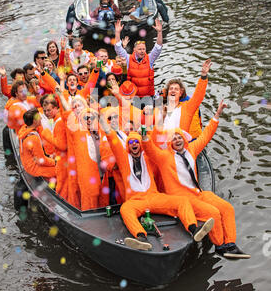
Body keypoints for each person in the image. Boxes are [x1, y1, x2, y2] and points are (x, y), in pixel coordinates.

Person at [142, 100, 251, 259]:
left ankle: (231, 244)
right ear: (170, 143)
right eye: (174, 138)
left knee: (227, 208)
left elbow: (206, 135)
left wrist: (217, 114)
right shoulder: (164, 158)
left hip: (198, 193)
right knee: (212, 212)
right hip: (182, 198)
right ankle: (220, 246)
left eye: (180, 137)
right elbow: (150, 150)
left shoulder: (191, 150)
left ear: (184, 140)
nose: (178, 140)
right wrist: (145, 136)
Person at [100, 117, 214, 251]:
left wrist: (159, 118)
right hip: (136, 200)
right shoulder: (123, 158)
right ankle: (141, 237)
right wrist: (103, 122)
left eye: (137, 142)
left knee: (182, 201)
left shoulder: (148, 156)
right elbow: (111, 138)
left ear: (141, 144)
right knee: (125, 209)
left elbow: (152, 140)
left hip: (154, 197)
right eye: (131, 142)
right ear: (127, 145)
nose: (134, 144)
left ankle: (194, 229)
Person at [114, 18, 163, 99]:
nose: (142, 51)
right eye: (140, 49)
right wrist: (117, 32)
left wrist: (159, 32)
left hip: (148, 97)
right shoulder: (128, 59)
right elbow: (118, 48)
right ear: (134, 50)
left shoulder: (150, 59)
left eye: (143, 49)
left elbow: (158, 48)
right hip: (134, 97)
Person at [18, 108, 56, 179]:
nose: (41, 118)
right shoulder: (33, 138)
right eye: (39, 117)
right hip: (34, 169)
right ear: (34, 121)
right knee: (60, 170)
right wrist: (55, 162)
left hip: (27, 163)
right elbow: (41, 160)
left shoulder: (24, 129)